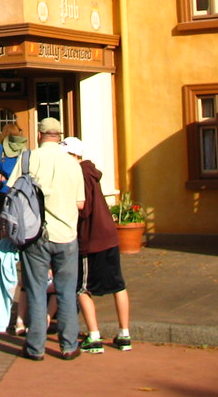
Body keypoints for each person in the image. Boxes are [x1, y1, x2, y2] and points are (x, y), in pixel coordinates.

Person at [7, 117, 85, 361]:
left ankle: (35, 347)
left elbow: (12, 192)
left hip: (35, 235)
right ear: (59, 135)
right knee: (66, 291)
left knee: (37, 290)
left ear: (39, 134)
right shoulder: (72, 163)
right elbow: (80, 203)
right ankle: (69, 345)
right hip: (66, 235)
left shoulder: (28, 158)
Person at [61, 136, 131, 354]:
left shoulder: (78, 174)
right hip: (108, 234)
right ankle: (124, 334)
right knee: (117, 285)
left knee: (82, 287)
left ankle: (94, 336)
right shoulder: (91, 171)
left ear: (72, 155)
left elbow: (84, 208)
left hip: (91, 238)